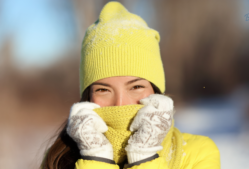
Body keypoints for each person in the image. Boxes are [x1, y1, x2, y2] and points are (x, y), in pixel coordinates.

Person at [41, 1, 220, 169]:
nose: (120, 103)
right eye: (103, 90)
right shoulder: (58, 158)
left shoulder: (198, 153)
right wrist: (95, 157)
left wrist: (144, 156)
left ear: (156, 91)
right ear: (88, 96)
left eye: (135, 87)